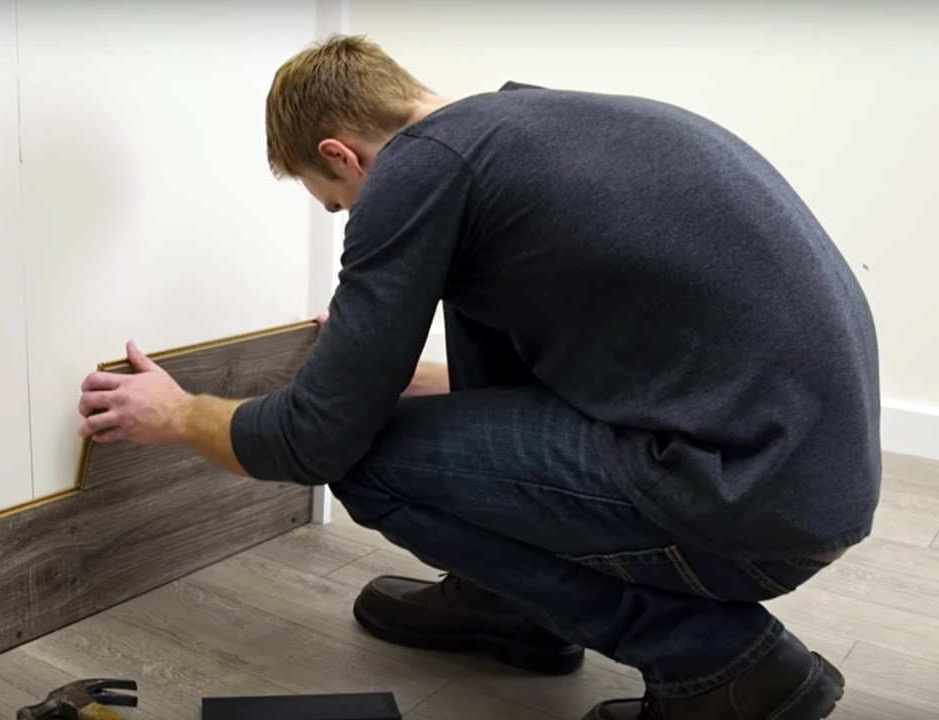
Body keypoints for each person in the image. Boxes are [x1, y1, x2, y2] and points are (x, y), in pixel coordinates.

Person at [77, 34, 881, 720]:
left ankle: (721, 665)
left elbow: (316, 442)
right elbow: (610, 339)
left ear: (339, 154)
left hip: (742, 509)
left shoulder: (421, 168)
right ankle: (511, 608)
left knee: (365, 460)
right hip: (800, 477)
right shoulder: (524, 130)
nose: (351, 216)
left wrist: (178, 414)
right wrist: (396, 369)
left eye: (339, 203)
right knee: (458, 315)